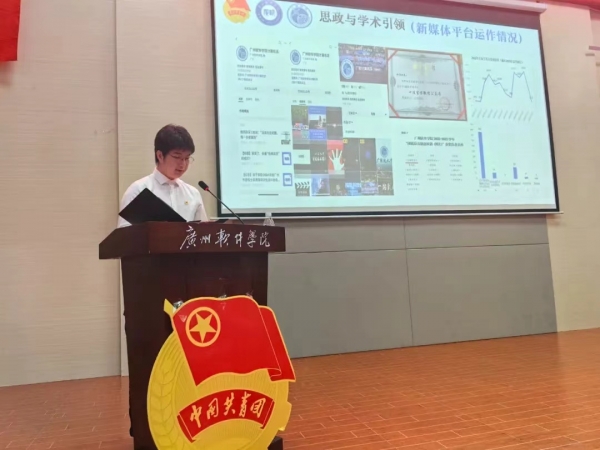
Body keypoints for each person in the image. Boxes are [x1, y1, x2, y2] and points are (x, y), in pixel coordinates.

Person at [117, 124, 208, 227]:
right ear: (160, 156)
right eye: (177, 157)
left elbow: (203, 232)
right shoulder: (138, 190)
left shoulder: (193, 193)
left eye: (187, 158)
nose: (183, 164)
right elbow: (124, 233)